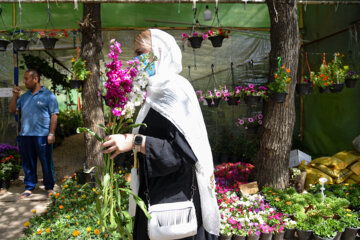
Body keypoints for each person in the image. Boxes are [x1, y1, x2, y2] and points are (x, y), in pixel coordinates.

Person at [102, 29, 220, 239]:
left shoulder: (175, 90)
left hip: (175, 199)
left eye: (142, 53)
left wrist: (133, 141)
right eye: (135, 54)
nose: (137, 60)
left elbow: (182, 153)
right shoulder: (153, 92)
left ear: (160, 52)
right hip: (153, 191)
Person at [9, 69, 58, 199]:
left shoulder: (48, 95)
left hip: (42, 135)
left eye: (26, 79)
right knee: (28, 163)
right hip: (25, 136)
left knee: (46, 162)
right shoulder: (24, 97)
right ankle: (29, 187)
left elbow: (54, 115)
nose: (24, 82)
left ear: (35, 79)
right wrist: (14, 96)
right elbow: (13, 110)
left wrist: (51, 133)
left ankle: (49, 187)